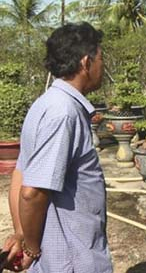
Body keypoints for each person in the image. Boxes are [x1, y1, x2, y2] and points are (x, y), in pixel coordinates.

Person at [2, 22, 112, 273]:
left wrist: (21, 233)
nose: (102, 67)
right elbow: (32, 192)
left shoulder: (43, 105)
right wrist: (30, 247)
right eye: (100, 58)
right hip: (72, 259)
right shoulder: (64, 113)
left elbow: (21, 172)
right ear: (86, 62)